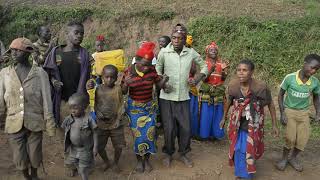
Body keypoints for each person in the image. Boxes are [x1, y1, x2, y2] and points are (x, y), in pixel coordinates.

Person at [0, 38, 56, 180]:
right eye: (12, 50)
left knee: (35, 153)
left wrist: (49, 123)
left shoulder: (40, 74)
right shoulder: (5, 74)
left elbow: (47, 100)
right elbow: (1, 99)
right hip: (13, 122)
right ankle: (26, 176)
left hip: (35, 122)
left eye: (18, 50)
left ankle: (35, 175)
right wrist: (1, 118)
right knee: (19, 156)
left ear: (28, 52)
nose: (13, 53)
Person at [156, 24, 208, 168]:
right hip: (166, 98)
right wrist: (162, 82)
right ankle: (168, 153)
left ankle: (183, 153)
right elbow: (157, 69)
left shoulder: (190, 53)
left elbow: (204, 66)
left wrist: (197, 79)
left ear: (184, 40)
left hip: (184, 97)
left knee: (185, 128)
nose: (176, 41)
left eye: (179, 38)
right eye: (173, 38)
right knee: (169, 128)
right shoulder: (164, 52)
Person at [220, 59, 279, 179]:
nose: (241, 73)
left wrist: (274, 125)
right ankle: (240, 172)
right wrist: (223, 118)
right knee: (238, 148)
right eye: (239, 70)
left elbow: (271, 105)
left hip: (253, 124)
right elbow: (228, 102)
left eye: (245, 70)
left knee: (249, 148)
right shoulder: (233, 86)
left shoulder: (260, 87)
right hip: (237, 124)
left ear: (251, 72)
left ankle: (246, 175)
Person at [123, 42, 169, 173]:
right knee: (139, 137)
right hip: (135, 109)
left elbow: (158, 84)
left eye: (149, 65)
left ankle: (147, 160)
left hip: (150, 109)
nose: (146, 68)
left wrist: (164, 80)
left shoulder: (152, 71)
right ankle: (139, 161)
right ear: (136, 61)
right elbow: (122, 92)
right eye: (143, 64)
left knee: (150, 135)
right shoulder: (129, 72)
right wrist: (126, 83)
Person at [276, 54, 320, 172]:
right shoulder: (290, 78)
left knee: (302, 140)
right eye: (312, 67)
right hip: (290, 111)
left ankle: (293, 158)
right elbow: (280, 95)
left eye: (316, 69)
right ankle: (284, 158)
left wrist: (318, 113)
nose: (313, 71)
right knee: (290, 138)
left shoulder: (315, 82)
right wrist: (282, 113)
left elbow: (316, 97)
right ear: (304, 63)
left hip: (304, 113)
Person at [44, 20, 91, 125]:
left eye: (82, 33)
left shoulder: (84, 54)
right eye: (76, 32)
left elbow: (90, 75)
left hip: (80, 101)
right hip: (62, 102)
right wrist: (54, 81)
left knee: (81, 131)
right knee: (64, 131)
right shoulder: (56, 52)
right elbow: (47, 73)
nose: (79, 36)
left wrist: (90, 83)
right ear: (67, 34)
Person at [92, 65, 126, 173]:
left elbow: (121, 105)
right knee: (100, 146)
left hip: (116, 123)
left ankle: (115, 162)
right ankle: (106, 161)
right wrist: (98, 113)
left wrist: (118, 118)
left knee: (119, 146)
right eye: (106, 77)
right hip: (101, 123)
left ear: (116, 78)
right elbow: (95, 104)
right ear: (102, 77)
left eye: (112, 77)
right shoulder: (98, 89)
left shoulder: (118, 89)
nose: (109, 80)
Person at [61, 92, 98, 180]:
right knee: (72, 162)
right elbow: (63, 129)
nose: (72, 110)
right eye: (71, 108)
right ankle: (77, 169)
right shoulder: (69, 119)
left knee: (82, 169)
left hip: (85, 149)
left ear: (84, 107)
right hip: (73, 148)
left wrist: (95, 147)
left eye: (75, 107)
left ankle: (84, 176)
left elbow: (95, 132)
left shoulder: (88, 119)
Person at [198, 42, 228, 139]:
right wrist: (210, 70)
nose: (213, 51)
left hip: (218, 92)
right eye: (211, 50)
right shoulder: (204, 63)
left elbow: (223, 79)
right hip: (207, 92)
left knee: (218, 113)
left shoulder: (221, 63)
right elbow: (204, 80)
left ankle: (216, 134)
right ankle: (205, 134)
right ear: (207, 52)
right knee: (206, 114)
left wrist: (224, 71)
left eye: (215, 50)